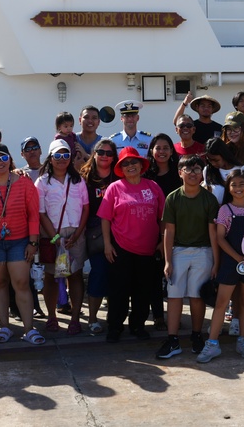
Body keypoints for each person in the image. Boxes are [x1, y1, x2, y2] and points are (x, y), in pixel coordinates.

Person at [0, 143, 44, 345]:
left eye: (3, 158)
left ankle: (29, 329)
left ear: (10, 159)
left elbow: (33, 215)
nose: (0, 162)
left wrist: (33, 242)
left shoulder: (24, 182)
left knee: (21, 283)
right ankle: (4, 327)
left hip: (20, 241)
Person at [196, 170, 244, 363]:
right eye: (234, 185)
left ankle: (242, 340)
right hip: (231, 262)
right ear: (229, 188)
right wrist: (237, 257)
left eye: (241, 184)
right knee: (221, 303)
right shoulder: (225, 210)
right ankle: (212, 344)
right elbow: (220, 237)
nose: (238, 188)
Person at [99, 147, 166, 343]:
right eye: (125, 163)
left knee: (143, 290)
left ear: (141, 164)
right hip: (121, 248)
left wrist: (162, 240)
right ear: (120, 167)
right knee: (118, 290)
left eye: (133, 162)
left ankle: (138, 325)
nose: (130, 166)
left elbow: (163, 216)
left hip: (148, 248)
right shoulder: (114, 188)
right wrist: (106, 244)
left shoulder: (153, 186)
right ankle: (115, 327)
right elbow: (105, 218)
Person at [156, 154, 219, 359]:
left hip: (203, 252)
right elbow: (169, 231)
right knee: (174, 295)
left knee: (196, 295)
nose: (193, 173)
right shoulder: (173, 197)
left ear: (202, 174)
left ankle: (196, 335)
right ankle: (173, 339)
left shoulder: (209, 199)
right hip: (179, 251)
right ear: (180, 172)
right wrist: (167, 260)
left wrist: (216, 261)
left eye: (197, 169)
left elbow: (213, 232)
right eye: (188, 169)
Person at [36, 139, 89, 335]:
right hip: (52, 235)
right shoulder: (41, 183)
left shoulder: (78, 180)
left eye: (65, 155)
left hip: (75, 233)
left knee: (75, 276)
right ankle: (52, 317)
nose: (62, 159)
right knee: (51, 276)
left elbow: (85, 208)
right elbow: (40, 213)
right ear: (50, 158)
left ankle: (75, 318)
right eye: (57, 155)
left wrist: (76, 234)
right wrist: (55, 237)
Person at [80, 138, 118, 334]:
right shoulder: (85, 177)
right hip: (96, 235)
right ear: (94, 154)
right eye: (100, 152)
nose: (104, 156)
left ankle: (113, 318)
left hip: (120, 234)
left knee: (116, 278)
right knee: (99, 274)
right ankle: (93, 319)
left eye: (109, 153)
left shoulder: (119, 176)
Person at [144, 133, 181, 331]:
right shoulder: (146, 175)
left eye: (166, 147)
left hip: (177, 231)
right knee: (153, 277)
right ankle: (158, 315)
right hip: (151, 232)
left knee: (175, 276)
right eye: (158, 148)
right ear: (152, 151)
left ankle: (175, 316)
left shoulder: (179, 174)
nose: (162, 152)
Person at [202, 138, 243, 203]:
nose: (213, 163)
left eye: (216, 160)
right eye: (209, 160)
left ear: (224, 155)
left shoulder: (243, 170)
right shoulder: (207, 170)